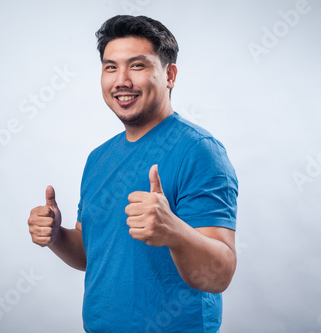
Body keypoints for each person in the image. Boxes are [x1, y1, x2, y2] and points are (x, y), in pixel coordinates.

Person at [28, 15, 238, 332]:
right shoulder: (98, 158)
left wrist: (174, 232)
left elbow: (219, 274)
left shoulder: (199, 151)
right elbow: (91, 254)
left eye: (137, 66)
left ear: (170, 75)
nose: (121, 80)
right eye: (111, 67)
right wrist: (57, 236)